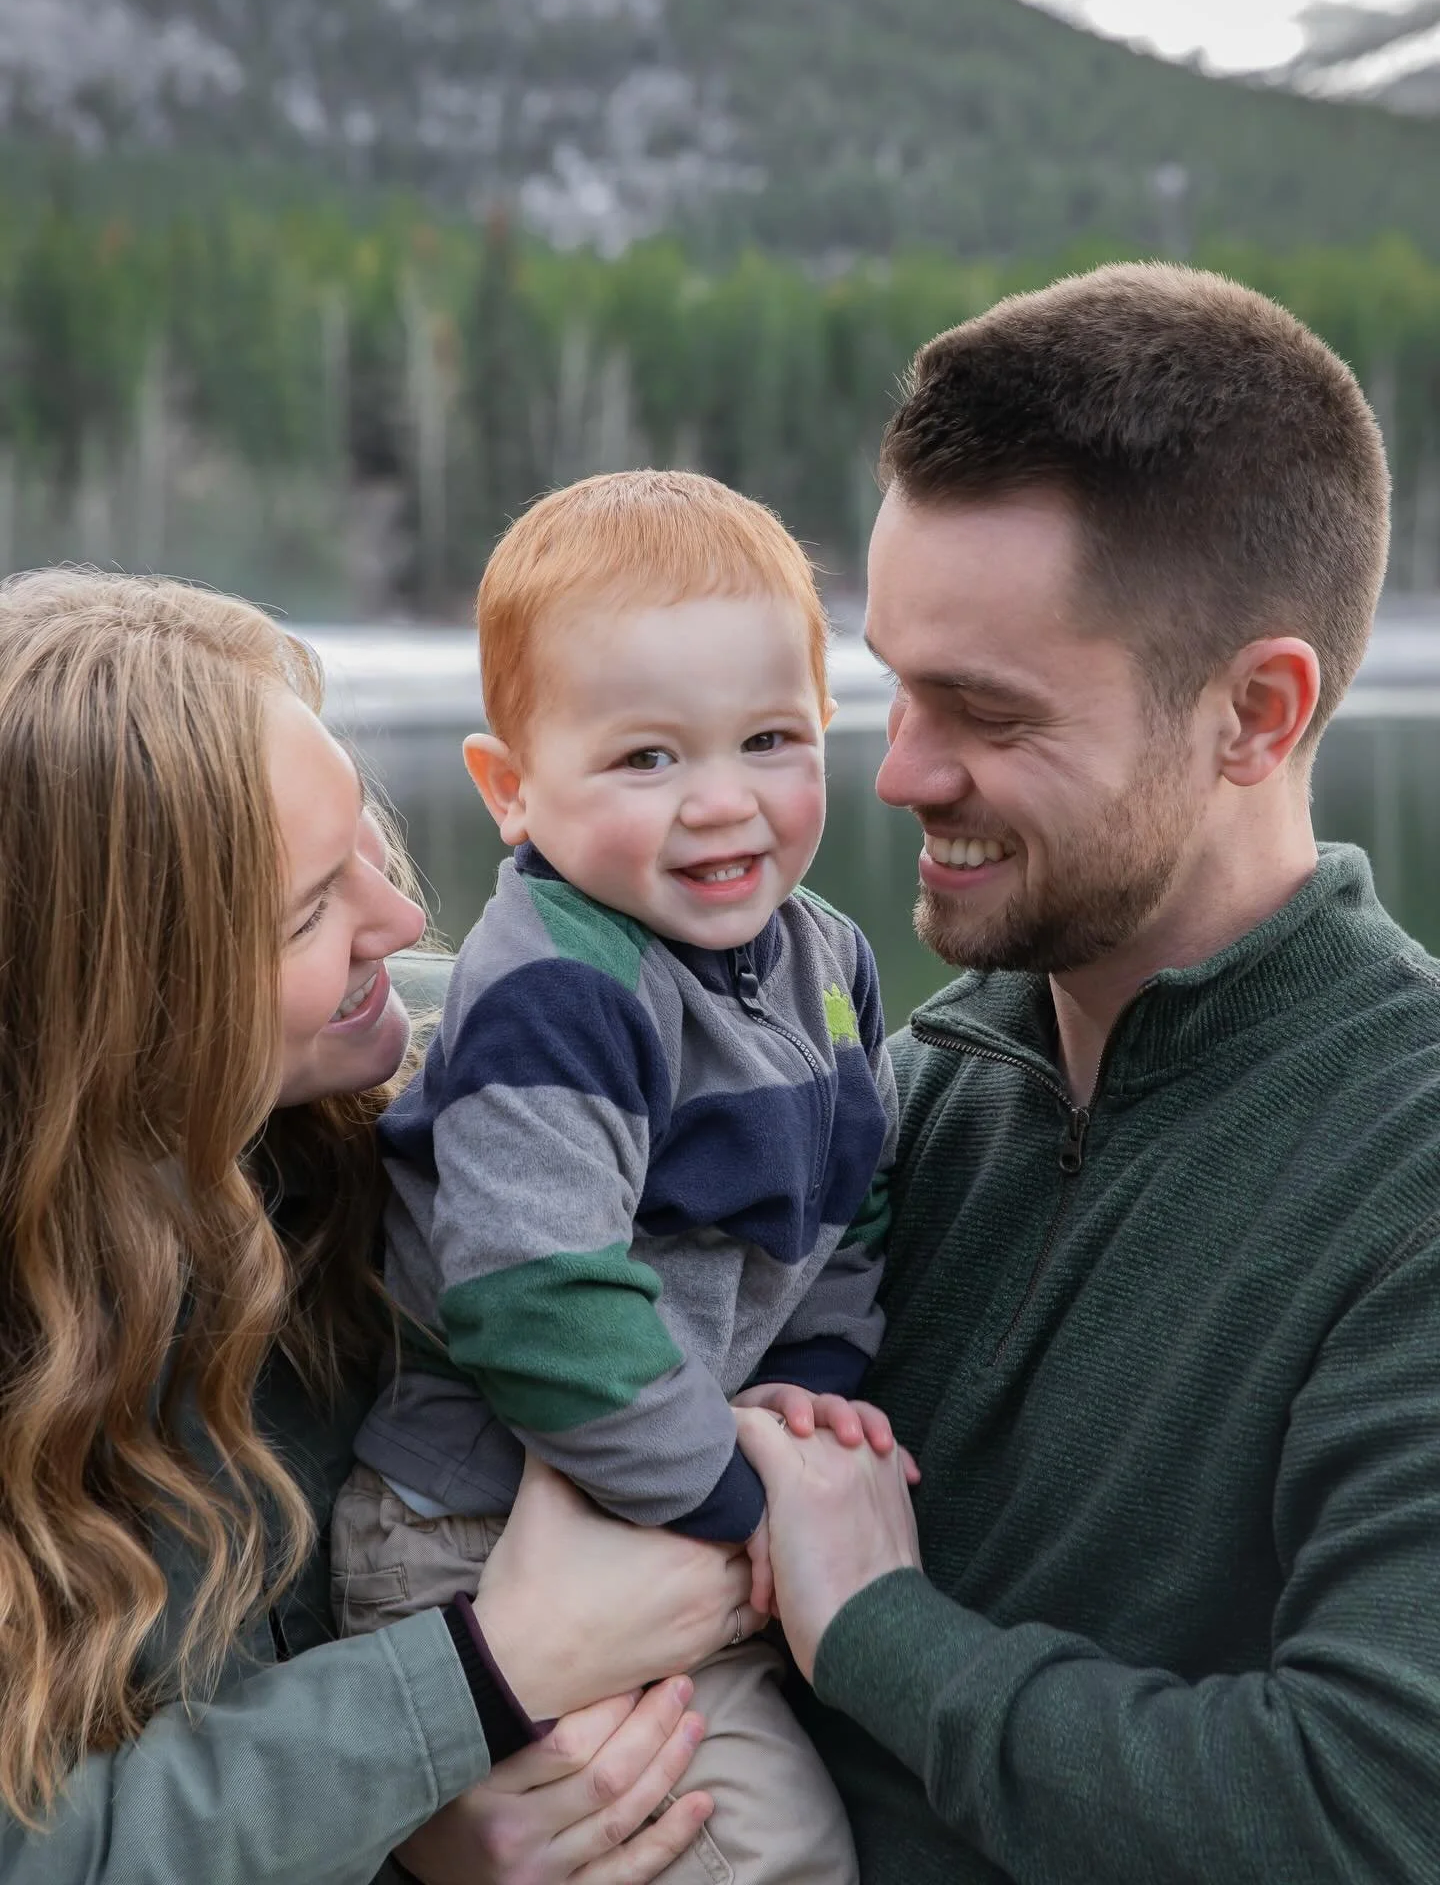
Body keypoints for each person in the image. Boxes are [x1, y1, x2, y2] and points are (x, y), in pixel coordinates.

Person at [725, 261, 1440, 1882]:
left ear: (1255, 713)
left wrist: (881, 1630)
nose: (900, 772)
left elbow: (1375, 1815)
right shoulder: (903, 1090)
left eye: (984, 711)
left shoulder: (1408, 1177)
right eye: (891, 684)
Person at [0, 567, 766, 1885]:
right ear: (118, 1009)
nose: (403, 918)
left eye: (365, 835)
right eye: (310, 911)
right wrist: (479, 1690)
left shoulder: (453, 1091)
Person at [333, 469, 906, 1885]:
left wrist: (813, 1384)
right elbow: (538, 1305)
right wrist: (744, 1507)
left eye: (769, 740)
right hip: (483, 1536)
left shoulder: (826, 958)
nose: (722, 803)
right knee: (741, 1855)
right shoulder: (560, 988)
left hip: (656, 1488)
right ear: (511, 790)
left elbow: (852, 1192)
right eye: (647, 758)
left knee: (800, 1831)